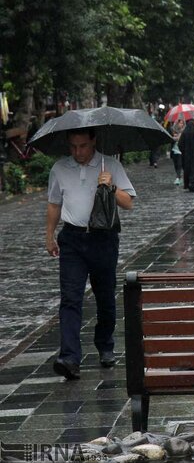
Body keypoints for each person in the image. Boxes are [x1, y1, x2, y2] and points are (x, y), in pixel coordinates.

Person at [46, 127, 136, 380]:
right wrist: (49, 235)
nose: (78, 152)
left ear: (93, 142)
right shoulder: (59, 168)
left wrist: (112, 185)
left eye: (83, 146)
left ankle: (105, 345)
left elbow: (128, 203)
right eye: (73, 146)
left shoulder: (111, 165)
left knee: (105, 296)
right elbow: (54, 203)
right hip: (72, 239)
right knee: (70, 297)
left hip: (103, 239)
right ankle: (70, 357)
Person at [177, 119, 194, 193]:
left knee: (187, 169)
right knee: (193, 169)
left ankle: (187, 184)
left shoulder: (184, 133)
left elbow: (180, 144)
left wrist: (183, 151)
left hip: (186, 155)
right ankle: (192, 183)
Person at [169, 118, 185, 185]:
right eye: (180, 123)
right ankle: (178, 176)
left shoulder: (184, 131)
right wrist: (174, 137)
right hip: (174, 150)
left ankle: (178, 178)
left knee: (179, 164)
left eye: (182, 123)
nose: (181, 124)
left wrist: (179, 137)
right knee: (175, 165)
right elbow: (170, 139)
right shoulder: (173, 130)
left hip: (181, 151)